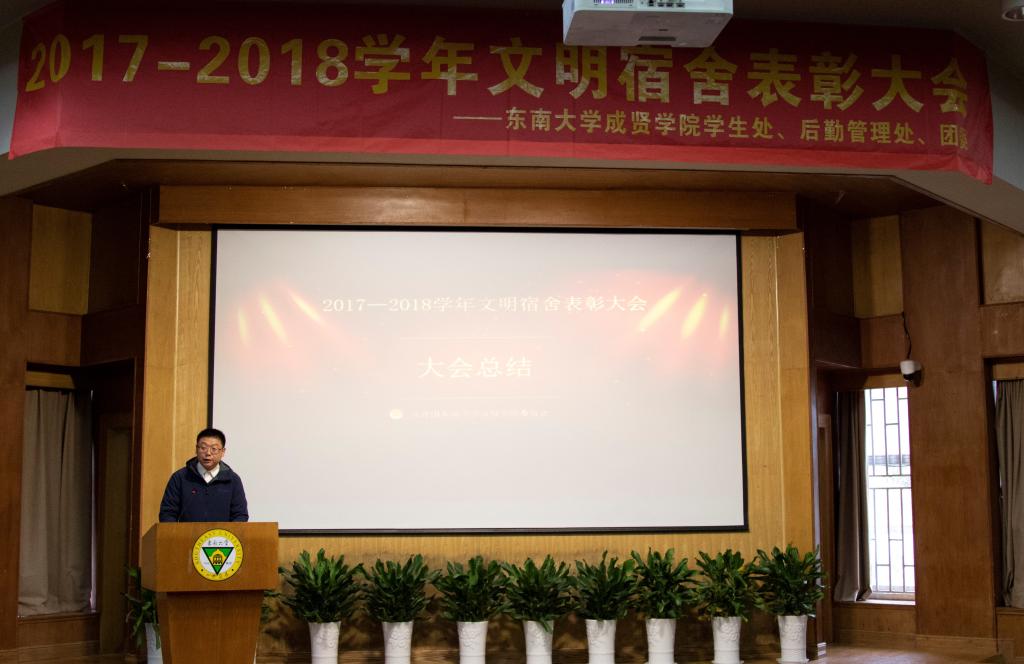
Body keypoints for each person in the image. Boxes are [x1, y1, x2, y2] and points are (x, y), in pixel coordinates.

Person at [158, 428, 249, 522]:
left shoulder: (233, 480)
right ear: (196, 449)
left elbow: (240, 515)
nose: (208, 453)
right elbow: (167, 513)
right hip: (187, 532)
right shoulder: (180, 477)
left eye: (214, 449)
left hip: (220, 532)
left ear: (223, 452)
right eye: (203, 448)